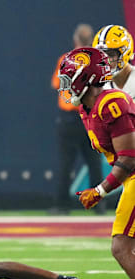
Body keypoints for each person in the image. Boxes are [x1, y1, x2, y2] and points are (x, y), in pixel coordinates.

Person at [58, 47, 135, 279]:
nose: (65, 87)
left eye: (70, 80)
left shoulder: (112, 103)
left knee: (121, 247)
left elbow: (129, 158)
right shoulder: (86, 108)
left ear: (86, 80)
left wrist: (99, 191)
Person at [50, 23, 104, 215]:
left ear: (75, 40)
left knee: (66, 163)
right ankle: (99, 206)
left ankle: (62, 205)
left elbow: (57, 84)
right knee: (94, 163)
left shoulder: (66, 60)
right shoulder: (98, 62)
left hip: (70, 118)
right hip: (90, 117)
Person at [94, 25, 135, 98]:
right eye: (101, 56)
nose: (106, 62)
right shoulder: (101, 88)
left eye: (111, 55)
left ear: (125, 53)